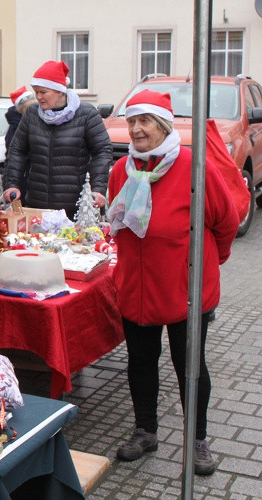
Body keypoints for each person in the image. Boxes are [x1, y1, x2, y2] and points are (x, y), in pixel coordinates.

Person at [107, 90, 238, 475]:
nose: (135, 129)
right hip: (136, 286)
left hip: (186, 290)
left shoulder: (195, 168)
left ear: (163, 125)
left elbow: (226, 223)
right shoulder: (121, 172)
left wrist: (209, 263)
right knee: (141, 361)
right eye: (131, 121)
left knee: (190, 366)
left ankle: (197, 439)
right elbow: (117, 225)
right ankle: (146, 430)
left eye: (144, 121)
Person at [3, 60, 112, 218]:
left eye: (43, 92)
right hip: (37, 204)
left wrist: (98, 189)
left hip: (76, 208)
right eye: (36, 92)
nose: (38, 97)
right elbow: (17, 151)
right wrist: (12, 184)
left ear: (60, 91)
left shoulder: (86, 114)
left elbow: (102, 151)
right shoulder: (32, 114)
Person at [4, 85, 35, 152]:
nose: (32, 110)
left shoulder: (35, 121)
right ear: (20, 110)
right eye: (28, 108)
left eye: (34, 106)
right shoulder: (15, 128)